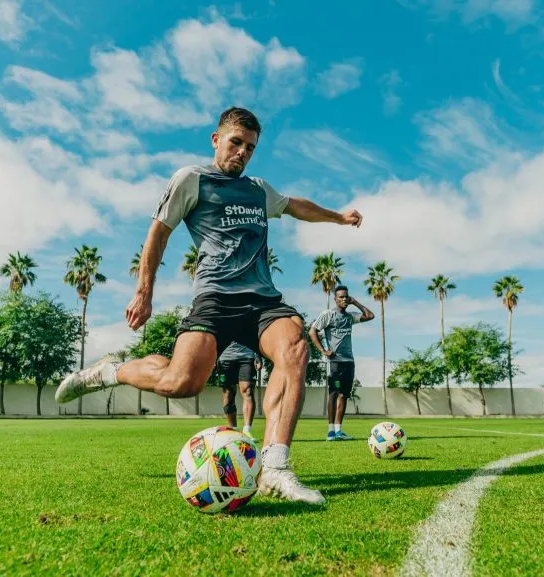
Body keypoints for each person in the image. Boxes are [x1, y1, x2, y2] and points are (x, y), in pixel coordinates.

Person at [55, 106, 363, 506]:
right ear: (216, 139)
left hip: (261, 300)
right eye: (236, 143)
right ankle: (111, 371)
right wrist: (143, 291)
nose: (242, 153)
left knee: (295, 348)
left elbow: (294, 206)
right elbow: (158, 232)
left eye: (250, 148)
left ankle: (275, 468)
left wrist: (338, 217)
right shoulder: (192, 179)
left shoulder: (257, 189)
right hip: (214, 298)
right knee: (181, 384)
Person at [309, 285, 374, 441]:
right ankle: (331, 431)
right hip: (335, 362)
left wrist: (356, 302)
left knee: (344, 395)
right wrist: (323, 350)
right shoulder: (328, 315)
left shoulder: (350, 317)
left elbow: (370, 316)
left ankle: (339, 431)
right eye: (341, 297)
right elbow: (312, 331)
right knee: (333, 393)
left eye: (346, 297)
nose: (344, 299)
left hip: (349, 362)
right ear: (335, 299)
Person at [218, 341, 260, 438]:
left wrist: (258, 355)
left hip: (247, 356)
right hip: (225, 357)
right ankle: (233, 429)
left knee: (248, 391)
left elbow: (255, 333)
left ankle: (247, 431)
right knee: (228, 394)